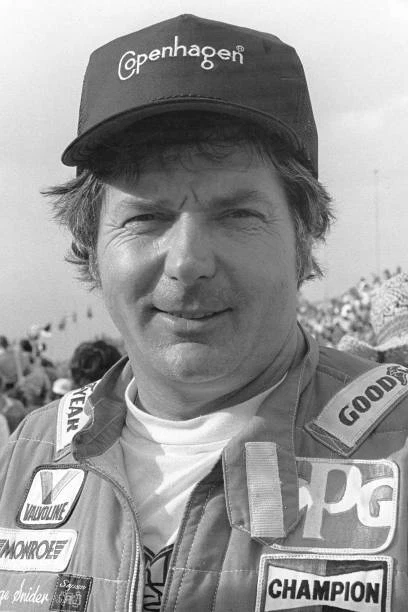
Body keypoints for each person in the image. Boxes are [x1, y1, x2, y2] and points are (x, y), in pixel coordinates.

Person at [1, 14, 408, 611]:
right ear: (90, 248)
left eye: (237, 214)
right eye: (146, 217)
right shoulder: (25, 454)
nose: (188, 262)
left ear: (305, 238)